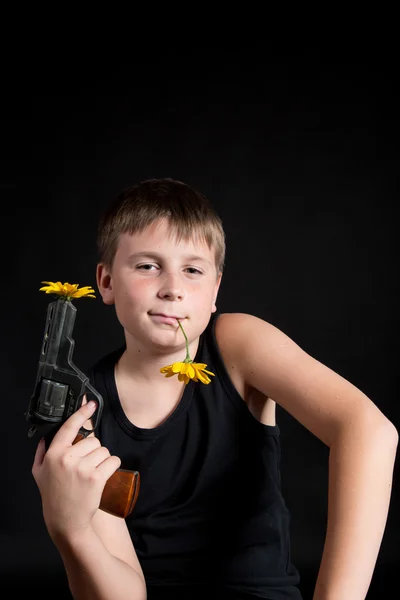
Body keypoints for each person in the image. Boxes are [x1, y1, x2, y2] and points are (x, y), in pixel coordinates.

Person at [32, 178, 398, 600]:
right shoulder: (81, 410)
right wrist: (70, 529)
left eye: (192, 269)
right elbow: (125, 594)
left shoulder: (238, 344)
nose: (172, 287)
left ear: (214, 291)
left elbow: (369, 431)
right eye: (148, 266)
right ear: (107, 281)